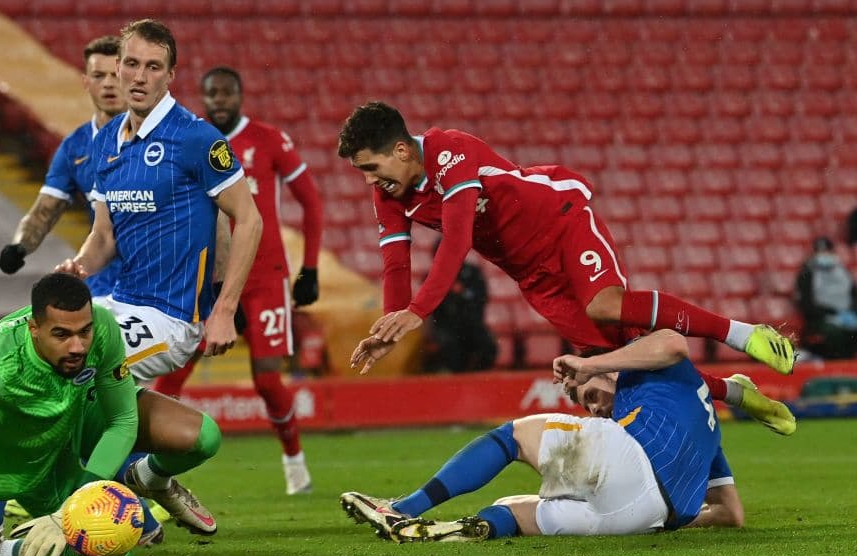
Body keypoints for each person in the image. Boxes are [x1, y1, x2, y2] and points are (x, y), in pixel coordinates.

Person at [336, 102, 796, 414]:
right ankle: (737, 393)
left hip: (561, 220)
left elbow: (457, 240)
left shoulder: (450, 152)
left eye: (371, 168)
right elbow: (395, 264)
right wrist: (388, 326)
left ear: (400, 150)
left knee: (605, 305)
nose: (369, 182)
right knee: (618, 360)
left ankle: (743, 333)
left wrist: (418, 312)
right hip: (531, 273)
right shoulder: (389, 195)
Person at [340, 329, 795, 543]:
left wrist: (591, 365)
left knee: (512, 437)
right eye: (585, 403)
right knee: (512, 512)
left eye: (592, 393)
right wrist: (668, 519)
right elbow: (731, 514)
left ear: (615, 367)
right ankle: (456, 531)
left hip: (636, 461)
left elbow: (676, 342)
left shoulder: (649, 368)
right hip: (642, 518)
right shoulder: (708, 428)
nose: (594, 407)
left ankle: (401, 509)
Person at [0, 273, 223, 556]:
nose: (78, 347)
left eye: (84, 332)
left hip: (80, 412)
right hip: (27, 456)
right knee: (111, 548)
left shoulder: (102, 327)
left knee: (202, 436)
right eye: (61, 335)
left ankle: (150, 478)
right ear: (34, 328)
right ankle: (1, 552)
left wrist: (70, 511)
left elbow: (122, 420)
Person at [55, 18, 261, 382]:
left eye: (153, 67)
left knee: (78, 366)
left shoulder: (196, 138)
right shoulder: (105, 143)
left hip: (172, 318)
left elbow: (249, 219)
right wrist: (81, 266)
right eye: (132, 64)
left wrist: (226, 308)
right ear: (118, 66)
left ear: (170, 76)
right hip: (118, 301)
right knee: (21, 340)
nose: (139, 77)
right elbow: (104, 236)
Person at [153, 66, 324, 495]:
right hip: (208, 278)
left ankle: (294, 459)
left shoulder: (268, 139)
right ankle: (147, 465)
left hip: (265, 278)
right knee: (176, 369)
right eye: (213, 93)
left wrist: (311, 268)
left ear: (241, 95)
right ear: (204, 96)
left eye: (228, 92)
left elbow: (312, 201)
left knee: (267, 379)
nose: (220, 100)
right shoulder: (192, 139)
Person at [0, 35, 125, 299]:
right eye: (99, 76)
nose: (109, 84)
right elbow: (45, 210)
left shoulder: (160, 140)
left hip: (157, 281)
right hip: (101, 281)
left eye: (116, 74)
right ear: (85, 82)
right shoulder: (74, 147)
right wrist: (19, 247)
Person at [422, 239, 496, 373]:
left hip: (471, 323)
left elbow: (481, 298)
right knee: (449, 348)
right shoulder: (430, 276)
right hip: (445, 327)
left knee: (488, 346)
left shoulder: (472, 272)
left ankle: (477, 377)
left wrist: (462, 294)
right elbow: (430, 307)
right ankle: (454, 380)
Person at [794, 236, 857, 359]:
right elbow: (807, 305)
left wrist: (850, 313)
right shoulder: (807, 273)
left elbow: (854, 295)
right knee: (834, 333)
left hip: (846, 316)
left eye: (827, 251)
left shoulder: (843, 272)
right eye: (821, 252)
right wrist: (831, 313)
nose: (824, 255)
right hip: (820, 319)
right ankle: (839, 362)